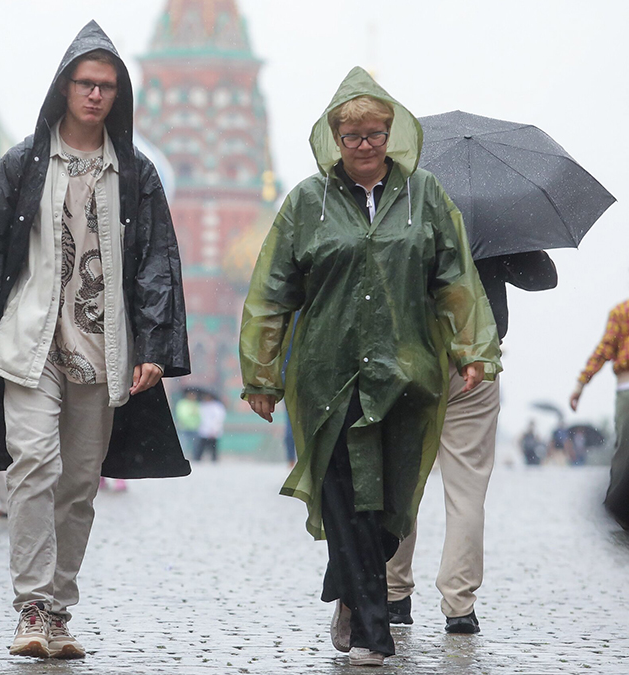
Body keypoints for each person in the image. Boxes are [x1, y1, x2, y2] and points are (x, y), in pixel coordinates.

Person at [0, 22, 190, 660]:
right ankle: (30, 605)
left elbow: (158, 261)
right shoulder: (24, 162)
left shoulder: (135, 173)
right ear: (65, 86)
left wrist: (154, 347)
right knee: (31, 464)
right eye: (86, 82)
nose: (96, 95)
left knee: (79, 483)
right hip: (29, 344)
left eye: (108, 86)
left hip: (104, 349)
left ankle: (58, 608)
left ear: (120, 94)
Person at [239, 68, 500, 667]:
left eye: (376, 133)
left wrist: (475, 350)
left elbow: (455, 277)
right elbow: (272, 290)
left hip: (407, 372)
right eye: (353, 135)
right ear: (335, 138)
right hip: (327, 373)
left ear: (391, 134)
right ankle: (372, 632)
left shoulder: (425, 196)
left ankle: (350, 594)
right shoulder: (307, 201)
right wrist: (262, 372)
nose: (365, 145)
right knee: (344, 497)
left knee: (388, 507)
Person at [387, 250, 555, 633]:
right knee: (467, 491)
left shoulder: (406, 209)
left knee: (401, 480)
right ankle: (459, 605)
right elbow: (543, 277)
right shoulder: (492, 216)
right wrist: (497, 253)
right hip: (474, 361)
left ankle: (394, 595)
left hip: (410, 358)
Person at [570, 296, 629, 526]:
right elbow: (604, 350)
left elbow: (604, 350)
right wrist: (581, 383)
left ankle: (614, 513)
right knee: (624, 454)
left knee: (624, 454)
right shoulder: (622, 311)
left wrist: (580, 385)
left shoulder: (622, 311)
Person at [194, 394, 226, 463]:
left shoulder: (216, 406)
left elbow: (219, 418)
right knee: (201, 446)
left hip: (213, 430)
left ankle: (214, 460)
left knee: (213, 447)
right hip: (203, 429)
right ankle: (197, 459)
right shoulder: (202, 405)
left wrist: (214, 428)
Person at [174, 390, 200, 457]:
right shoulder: (183, 403)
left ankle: (195, 456)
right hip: (184, 426)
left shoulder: (196, 404)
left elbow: (199, 415)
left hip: (194, 426)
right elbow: (182, 414)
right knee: (182, 443)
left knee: (196, 444)